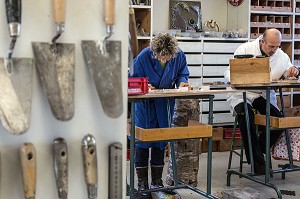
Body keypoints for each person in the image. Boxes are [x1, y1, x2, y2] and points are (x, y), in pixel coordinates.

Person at [224, 28, 299, 175]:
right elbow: (229, 71)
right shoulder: (245, 48)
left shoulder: (280, 55)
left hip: (262, 94)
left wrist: (292, 71)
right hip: (242, 93)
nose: (274, 50)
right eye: (271, 46)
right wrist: (237, 78)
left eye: (277, 46)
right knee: (246, 115)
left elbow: (288, 68)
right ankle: (258, 163)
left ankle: (256, 149)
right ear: (262, 41)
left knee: (279, 121)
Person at [129, 33, 190, 196]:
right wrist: (144, 85)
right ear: (154, 52)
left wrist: (182, 83)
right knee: (142, 140)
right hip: (145, 105)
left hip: (164, 104)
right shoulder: (144, 56)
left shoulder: (179, 55)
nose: (164, 59)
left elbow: (182, 73)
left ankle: (156, 182)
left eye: (167, 57)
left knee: (160, 140)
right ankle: (142, 184)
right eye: (161, 56)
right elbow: (131, 78)